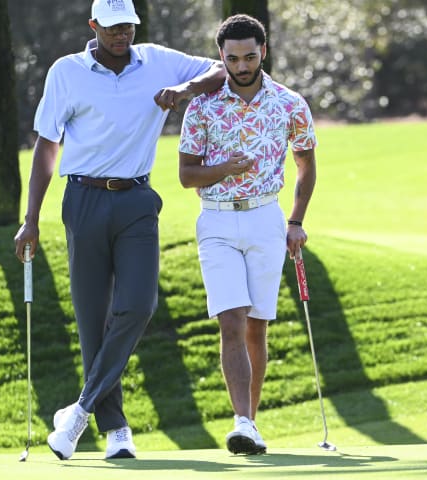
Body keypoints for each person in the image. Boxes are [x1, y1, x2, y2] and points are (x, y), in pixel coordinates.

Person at [13, 0, 225, 461]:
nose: (121, 34)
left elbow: (220, 68)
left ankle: (78, 412)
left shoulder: (158, 61)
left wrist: (185, 88)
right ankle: (116, 430)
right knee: (93, 319)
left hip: (136, 201)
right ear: (93, 26)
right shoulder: (65, 72)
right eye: (111, 27)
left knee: (138, 305)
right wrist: (30, 219)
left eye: (127, 26)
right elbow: (47, 148)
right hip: (83, 200)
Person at [177, 14, 317, 455]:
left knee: (257, 326)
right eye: (232, 58)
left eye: (249, 56)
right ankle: (241, 420)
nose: (241, 65)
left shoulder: (290, 103)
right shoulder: (202, 105)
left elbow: (306, 165)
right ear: (222, 56)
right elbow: (186, 175)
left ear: (264, 52)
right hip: (216, 221)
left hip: (265, 220)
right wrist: (226, 169)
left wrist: (295, 222)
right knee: (231, 320)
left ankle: (249, 424)